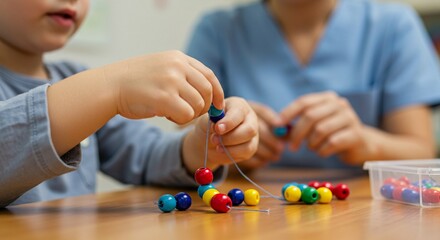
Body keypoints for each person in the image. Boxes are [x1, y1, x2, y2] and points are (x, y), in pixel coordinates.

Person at [0, 0, 259, 207]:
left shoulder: (74, 76)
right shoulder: (92, 87)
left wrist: (201, 147)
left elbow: (146, 156)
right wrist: (111, 86)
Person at [187, 0, 440, 172]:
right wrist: (231, 147)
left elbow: (421, 153)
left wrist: (366, 144)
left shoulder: (393, 27)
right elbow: (189, 150)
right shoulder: (217, 31)